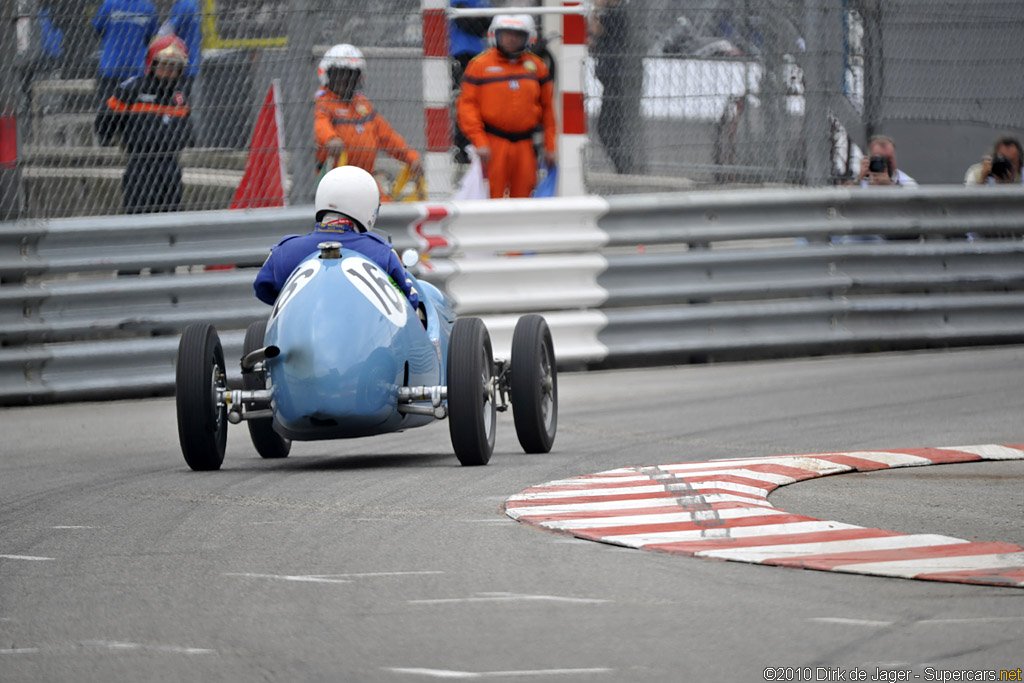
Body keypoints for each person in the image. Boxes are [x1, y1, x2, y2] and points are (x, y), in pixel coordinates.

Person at [254, 166, 419, 310]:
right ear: (367, 205)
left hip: (300, 337)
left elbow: (263, 289)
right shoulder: (380, 252)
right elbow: (409, 301)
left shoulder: (285, 250)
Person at [456, 14, 557, 199]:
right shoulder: (479, 65)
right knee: (491, 197)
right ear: (495, 35)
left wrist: (551, 146)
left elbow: (548, 109)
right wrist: (480, 141)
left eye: (517, 35)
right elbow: (467, 107)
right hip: (493, 145)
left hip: (525, 146)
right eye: (506, 34)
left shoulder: (537, 66)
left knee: (525, 197)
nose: (511, 39)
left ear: (528, 37)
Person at [95, 35, 192, 214]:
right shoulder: (132, 89)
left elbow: (187, 132)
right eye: (164, 65)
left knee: (172, 217)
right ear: (152, 64)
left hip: (169, 165)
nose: (169, 71)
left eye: (174, 67)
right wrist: (109, 136)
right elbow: (104, 121)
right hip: (140, 164)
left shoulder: (179, 97)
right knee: (139, 216)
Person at [314, 44, 423, 183]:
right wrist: (330, 139)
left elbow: (387, 136)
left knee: (386, 204)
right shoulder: (322, 102)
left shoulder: (363, 105)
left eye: (350, 75)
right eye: (339, 74)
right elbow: (319, 123)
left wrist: (410, 157)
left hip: (366, 180)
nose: (345, 80)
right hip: (333, 182)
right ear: (328, 75)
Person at [590, 0, 641, 174]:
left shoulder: (616, 14)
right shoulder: (616, 14)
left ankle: (624, 167)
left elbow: (596, 30)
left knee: (607, 128)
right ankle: (623, 166)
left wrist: (595, 12)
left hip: (618, 79)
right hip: (615, 79)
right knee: (612, 127)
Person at [92, 0, 160, 107]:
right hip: (136, 69)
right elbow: (151, 35)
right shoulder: (148, 7)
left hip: (111, 66)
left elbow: (98, 29)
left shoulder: (109, 4)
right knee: (133, 111)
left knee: (109, 110)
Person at [449, 0, 493, 164]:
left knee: (482, 103)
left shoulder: (482, 2)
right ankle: (462, 148)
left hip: (481, 56)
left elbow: (488, 24)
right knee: (465, 101)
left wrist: (481, 21)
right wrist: (481, 21)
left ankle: (476, 144)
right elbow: (468, 23)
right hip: (462, 54)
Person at [167, 0, 202, 96]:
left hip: (181, 65)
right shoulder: (193, 3)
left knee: (177, 101)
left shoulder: (183, 5)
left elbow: (168, 30)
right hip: (190, 62)